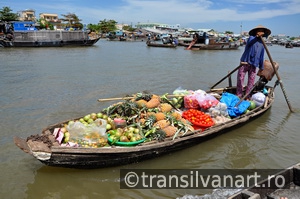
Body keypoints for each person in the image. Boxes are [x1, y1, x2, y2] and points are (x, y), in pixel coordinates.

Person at [236, 25, 271, 99]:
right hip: (245, 63)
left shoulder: (262, 43)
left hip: (254, 65)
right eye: (259, 30)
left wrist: (261, 66)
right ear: (256, 32)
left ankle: (247, 96)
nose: (261, 32)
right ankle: (239, 94)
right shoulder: (251, 38)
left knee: (251, 82)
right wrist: (257, 36)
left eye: (262, 31)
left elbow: (261, 56)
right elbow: (250, 42)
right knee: (240, 79)